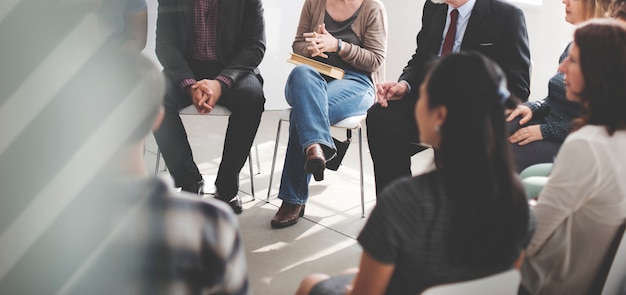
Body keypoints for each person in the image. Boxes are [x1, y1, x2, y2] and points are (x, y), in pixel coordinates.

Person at [295, 52, 533, 294]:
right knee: (347, 274)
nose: (415, 105)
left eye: (422, 97)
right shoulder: (516, 197)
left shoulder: (402, 202)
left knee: (311, 282)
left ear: (439, 115)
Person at [366, 0, 531, 196]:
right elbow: (420, 59)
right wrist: (405, 85)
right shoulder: (434, 7)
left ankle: (450, 208)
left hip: (470, 111)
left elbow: (518, 86)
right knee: (381, 116)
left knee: (460, 133)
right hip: (429, 102)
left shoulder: (507, 16)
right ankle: (397, 203)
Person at [520, 19, 626, 295]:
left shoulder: (587, 145)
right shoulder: (614, 137)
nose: (560, 68)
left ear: (600, 73)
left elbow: (530, 241)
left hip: (546, 282)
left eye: (574, 61)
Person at [270, 0, 388, 228]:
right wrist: (312, 47)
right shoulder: (314, 3)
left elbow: (374, 60)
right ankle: (318, 146)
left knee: (302, 114)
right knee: (302, 73)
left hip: (356, 81)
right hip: (311, 78)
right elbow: (298, 45)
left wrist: (338, 46)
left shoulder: (372, 7)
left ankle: (292, 198)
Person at [153, 0, 266, 214]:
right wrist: (188, 84)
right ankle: (189, 182)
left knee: (253, 98)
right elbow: (165, 45)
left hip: (231, 68)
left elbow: (255, 46)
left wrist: (221, 82)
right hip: (186, 69)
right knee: (153, 97)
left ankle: (226, 187)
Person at [505, 0, 610, 172]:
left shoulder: (607, 54)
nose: (564, 1)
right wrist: (532, 107)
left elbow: (599, 124)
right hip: (546, 121)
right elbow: (554, 98)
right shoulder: (574, 45)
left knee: (502, 154)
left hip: (568, 139)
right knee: (489, 129)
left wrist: (545, 131)